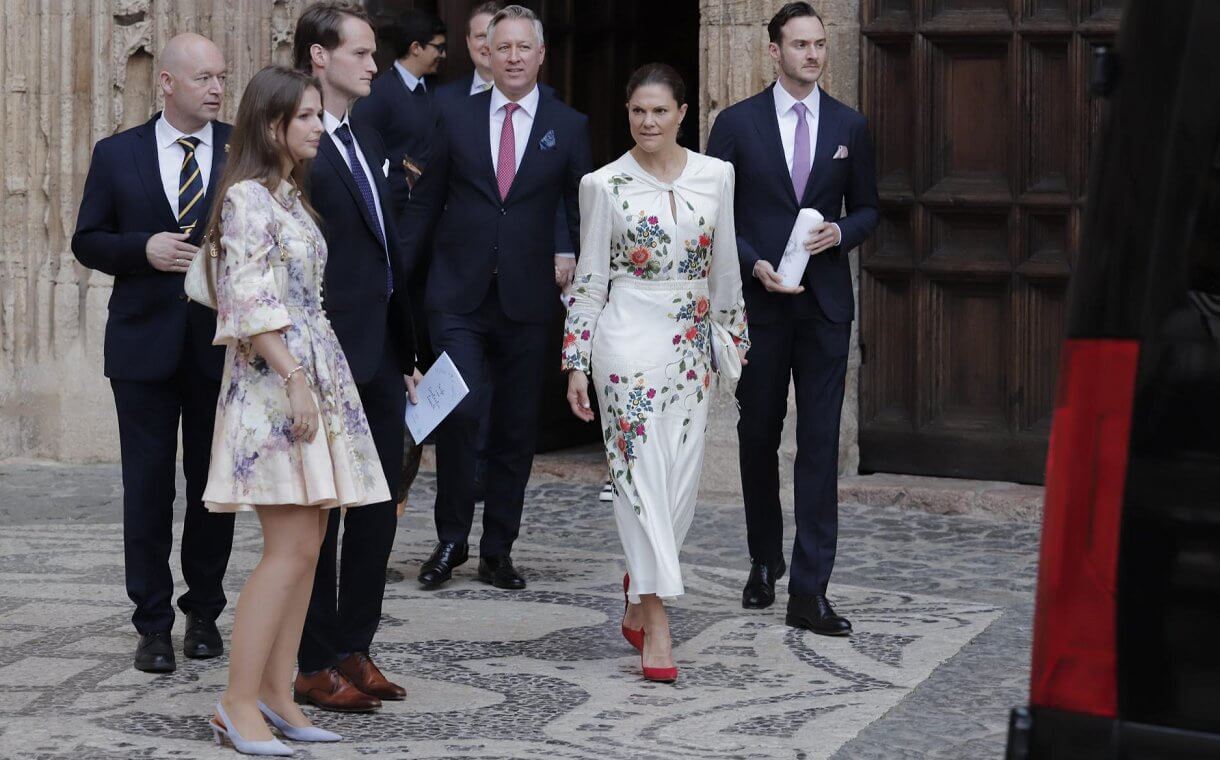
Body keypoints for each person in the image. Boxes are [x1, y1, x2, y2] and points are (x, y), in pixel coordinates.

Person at [200, 64, 386, 755]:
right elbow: (246, 300)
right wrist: (297, 382)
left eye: (317, 115)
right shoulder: (248, 197)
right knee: (284, 552)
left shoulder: (288, 196)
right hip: (277, 386)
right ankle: (236, 702)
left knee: (307, 549)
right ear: (272, 122)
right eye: (305, 116)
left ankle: (277, 692)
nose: (316, 126)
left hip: (311, 376)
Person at [563, 64, 749, 683]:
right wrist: (576, 363)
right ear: (627, 113)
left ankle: (640, 589)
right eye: (638, 111)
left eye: (660, 111)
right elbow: (588, 281)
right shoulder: (603, 184)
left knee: (679, 487)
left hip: (691, 343)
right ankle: (658, 621)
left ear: (683, 113)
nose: (648, 122)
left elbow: (724, 268)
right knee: (639, 477)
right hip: (625, 339)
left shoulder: (716, 176)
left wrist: (733, 339)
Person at [401, 4, 591, 592]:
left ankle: (497, 548)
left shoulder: (570, 124)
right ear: (486, 51)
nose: (511, 57)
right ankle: (451, 538)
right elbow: (427, 202)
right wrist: (398, 276)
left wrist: (574, 264)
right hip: (457, 295)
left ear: (540, 56)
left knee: (514, 428)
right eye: (500, 46)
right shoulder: (452, 115)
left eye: (522, 48)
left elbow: (577, 208)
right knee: (460, 412)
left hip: (529, 300)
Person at [706, 2, 879, 635]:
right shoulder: (735, 124)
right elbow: (715, 213)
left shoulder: (849, 125)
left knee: (819, 445)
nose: (812, 54)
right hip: (760, 307)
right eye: (800, 44)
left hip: (826, 308)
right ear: (772, 51)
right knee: (757, 436)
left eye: (819, 44)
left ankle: (810, 591)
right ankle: (763, 558)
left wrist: (841, 231)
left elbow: (869, 208)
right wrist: (752, 265)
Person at [71, 33, 235, 675]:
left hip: (219, 345)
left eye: (221, 76)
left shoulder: (241, 151)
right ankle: (153, 625)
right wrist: (143, 250)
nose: (217, 88)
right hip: (141, 347)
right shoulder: (117, 155)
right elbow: (87, 240)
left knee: (210, 486)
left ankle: (203, 613)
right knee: (145, 488)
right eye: (203, 78)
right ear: (166, 82)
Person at [292, 1, 422, 713]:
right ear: (319, 56)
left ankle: (354, 646)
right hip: (324, 359)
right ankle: (312, 663)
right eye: (363, 53)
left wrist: (407, 350)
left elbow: (384, 252)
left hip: (378, 355)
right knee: (325, 514)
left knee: (378, 507)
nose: (376, 64)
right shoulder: (299, 143)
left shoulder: (360, 132)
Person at [353, 8, 446, 214]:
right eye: (438, 48)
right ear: (416, 47)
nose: (443, 54)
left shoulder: (437, 89)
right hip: (397, 214)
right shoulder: (376, 96)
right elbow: (364, 163)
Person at [434, 2, 501, 102]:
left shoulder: (527, 94)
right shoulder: (443, 97)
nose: (487, 44)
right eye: (481, 36)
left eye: (495, 35)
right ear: (468, 42)